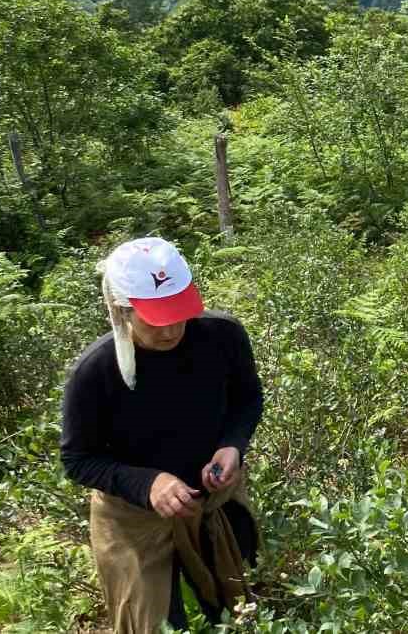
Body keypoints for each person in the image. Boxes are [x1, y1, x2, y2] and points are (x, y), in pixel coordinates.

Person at [60, 237, 264, 633]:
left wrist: (232, 445)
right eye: (156, 318)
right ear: (122, 310)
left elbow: (247, 397)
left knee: (234, 610)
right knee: (154, 622)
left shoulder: (222, 337)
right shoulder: (95, 371)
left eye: (179, 312)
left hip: (212, 503)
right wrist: (148, 483)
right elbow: (78, 459)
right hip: (133, 519)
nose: (172, 329)